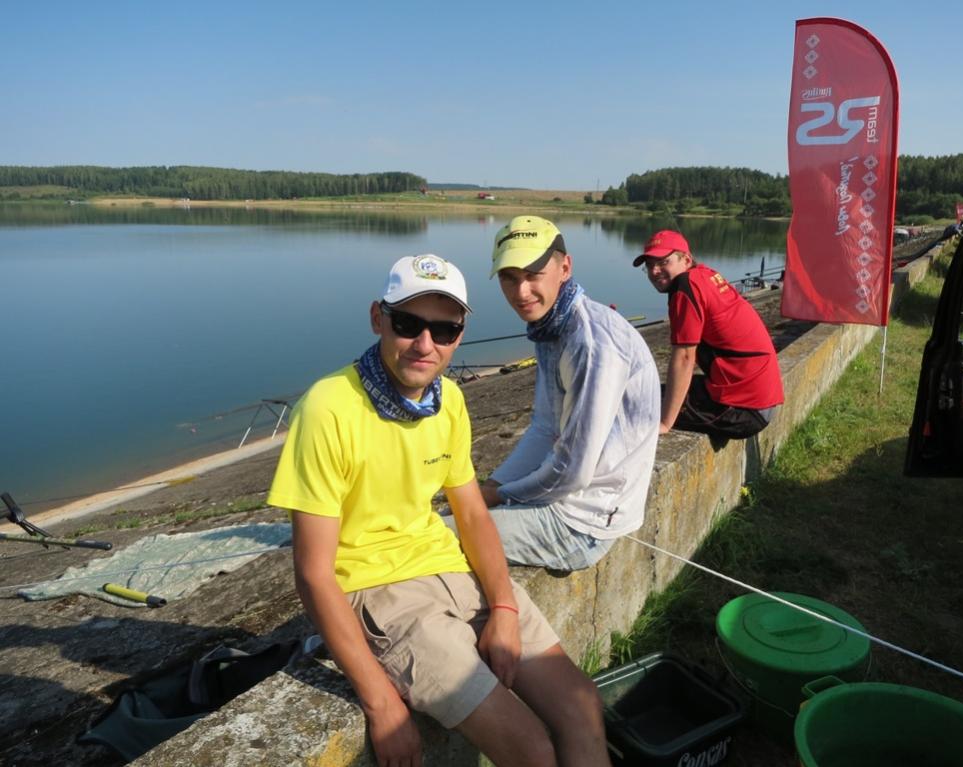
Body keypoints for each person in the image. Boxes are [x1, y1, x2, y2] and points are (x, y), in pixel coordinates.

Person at [268, 254, 610, 767]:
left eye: (445, 330)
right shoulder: (327, 408)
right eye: (408, 324)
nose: (425, 344)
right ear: (378, 318)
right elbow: (314, 572)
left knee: (583, 707)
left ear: (460, 334)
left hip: (451, 569)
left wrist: (504, 607)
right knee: (532, 748)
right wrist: (381, 703)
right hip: (381, 592)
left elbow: (471, 515)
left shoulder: (447, 400)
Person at [469, 216, 660, 571]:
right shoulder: (552, 325)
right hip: (569, 501)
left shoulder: (591, 343)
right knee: (456, 516)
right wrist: (493, 484)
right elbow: (545, 427)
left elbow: (574, 472)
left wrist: (497, 494)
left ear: (565, 268)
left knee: (433, 539)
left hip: (584, 523)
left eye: (533, 274)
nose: (521, 292)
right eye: (509, 277)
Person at [633, 229, 784, 440]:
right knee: (648, 392)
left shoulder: (685, 287)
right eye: (649, 265)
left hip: (743, 409)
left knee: (635, 404)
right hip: (757, 398)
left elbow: (685, 357)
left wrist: (666, 422)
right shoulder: (704, 275)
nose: (654, 271)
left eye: (663, 262)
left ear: (686, 259)